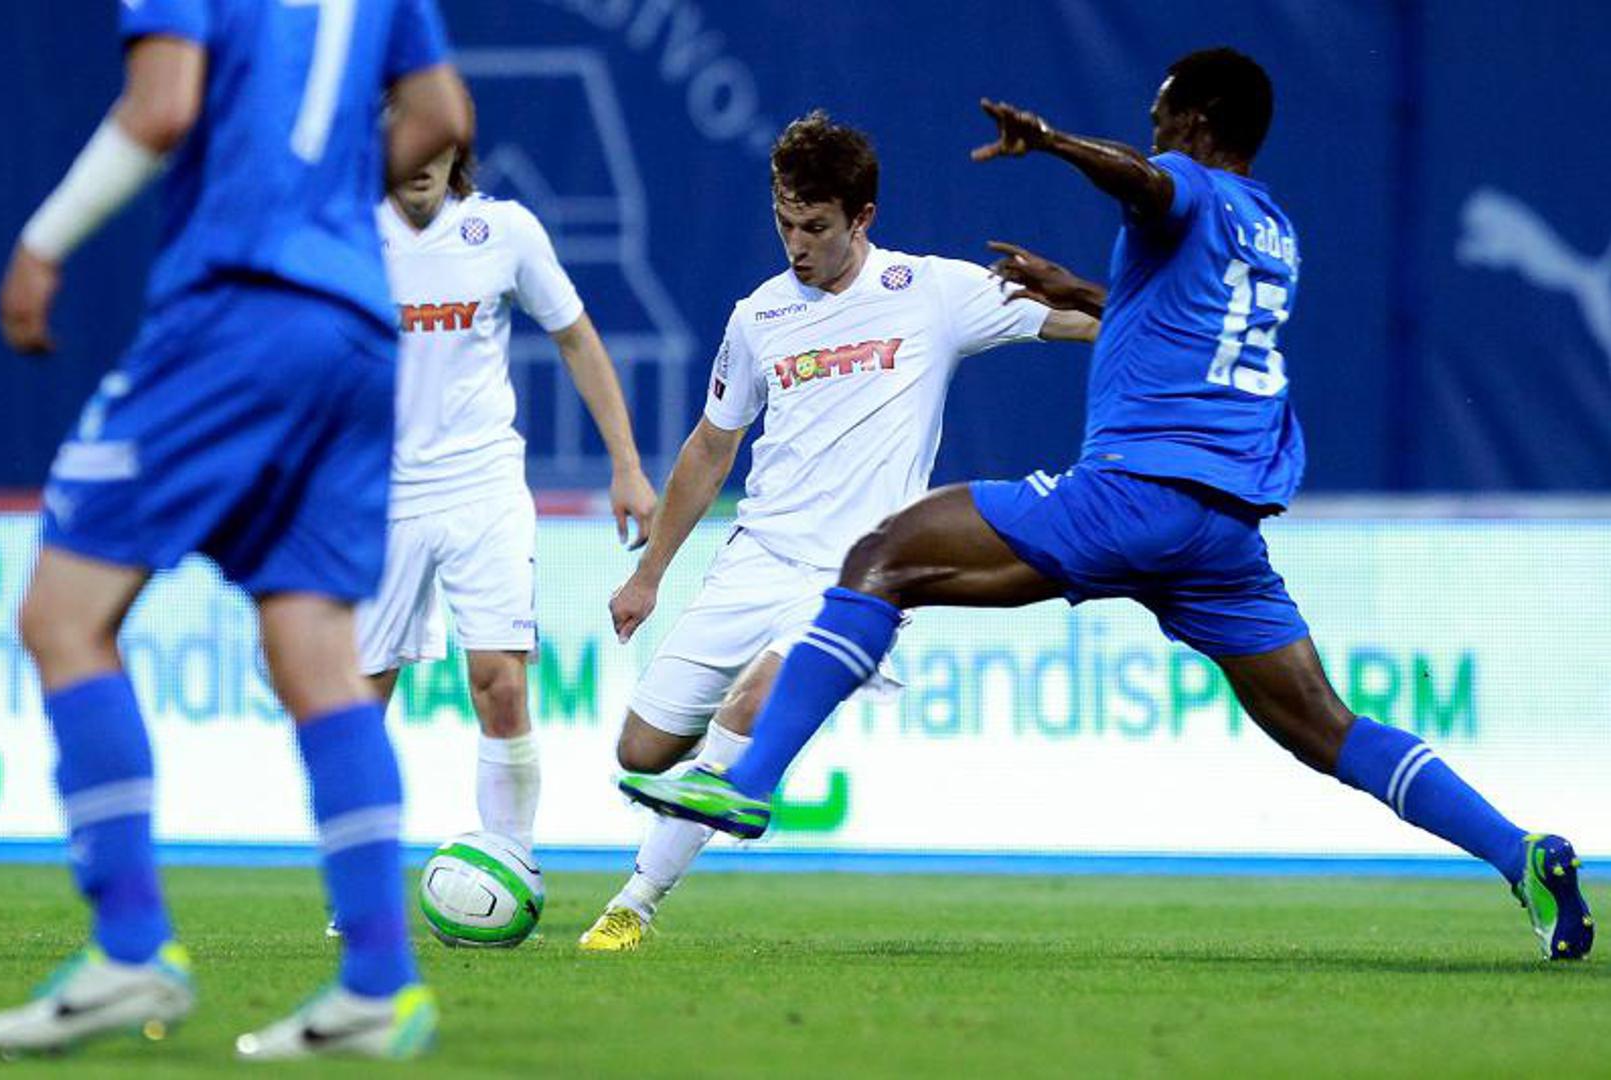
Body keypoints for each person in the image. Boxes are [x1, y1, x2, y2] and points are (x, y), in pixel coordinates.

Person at [618, 49, 1594, 962]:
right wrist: (1076, 286)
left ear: (1198, 125)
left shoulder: (1183, 185)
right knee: (1323, 725)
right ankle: (1519, 853)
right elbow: (1164, 316)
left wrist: (1051, 143)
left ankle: (747, 783)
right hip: (1223, 527)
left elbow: (1146, 183)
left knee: (882, 557)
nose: (1152, 129)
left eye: (1162, 115)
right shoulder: (1270, 231)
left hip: (1134, 494)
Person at [0, 0, 472, 1061]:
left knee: (61, 617)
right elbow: (442, 114)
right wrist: (333, 195)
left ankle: (129, 946)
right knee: (316, 655)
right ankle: (377, 983)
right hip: (358, 329)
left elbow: (162, 106)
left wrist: (40, 242)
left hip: (237, 308)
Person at [578, 111, 1098, 951]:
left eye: (815, 227)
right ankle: (724, 772)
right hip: (756, 560)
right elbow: (711, 447)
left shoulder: (932, 292)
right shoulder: (758, 317)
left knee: (753, 705)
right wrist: (649, 576)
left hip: (857, 580)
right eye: (784, 223)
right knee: (641, 751)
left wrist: (1163, 313)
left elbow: (1083, 324)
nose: (796, 244)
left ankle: (631, 906)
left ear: (862, 218)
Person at [353, 140, 656, 878]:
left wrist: (625, 464)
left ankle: (511, 865)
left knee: (501, 681)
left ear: (455, 145)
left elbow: (576, 337)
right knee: (358, 701)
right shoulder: (347, 231)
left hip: (482, 487)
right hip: (377, 496)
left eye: (434, 139)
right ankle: (358, 890)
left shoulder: (505, 231)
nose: (419, 156)